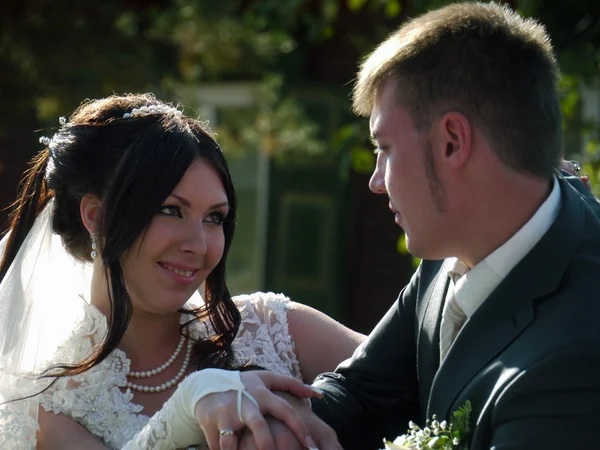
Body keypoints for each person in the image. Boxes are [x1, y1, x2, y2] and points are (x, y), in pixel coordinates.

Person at [194, 2, 600, 449]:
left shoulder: (575, 359)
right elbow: (365, 390)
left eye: (384, 147)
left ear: (451, 142)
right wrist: (274, 424)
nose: (375, 182)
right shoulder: (455, 248)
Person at [0, 93, 363, 449]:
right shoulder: (46, 409)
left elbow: (410, 379)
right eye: (172, 211)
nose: (199, 245)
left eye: (214, 218)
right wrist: (188, 406)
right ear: (97, 216)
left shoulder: (275, 329)